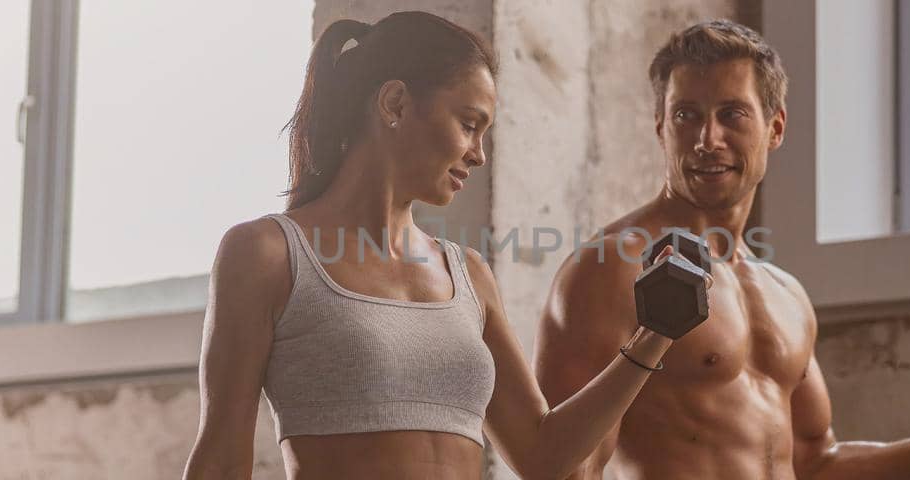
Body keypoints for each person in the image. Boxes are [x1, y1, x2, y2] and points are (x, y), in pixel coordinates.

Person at [182, 11, 708, 480]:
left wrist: (655, 333)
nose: (478, 155)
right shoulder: (267, 254)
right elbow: (222, 462)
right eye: (468, 124)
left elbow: (545, 458)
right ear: (395, 103)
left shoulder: (469, 275)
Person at [535, 20, 910, 479]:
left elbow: (817, 464)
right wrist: (648, 341)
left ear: (775, 128)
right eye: (686, 115)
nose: (707, 140)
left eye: (732, 114)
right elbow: (565, 469)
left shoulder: (784, 294)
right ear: (661, 127)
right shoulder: (610, 269)